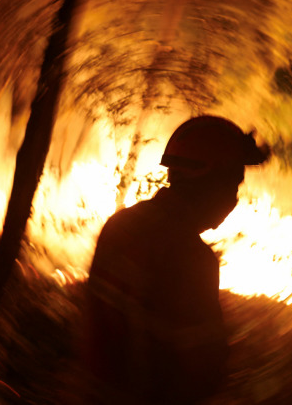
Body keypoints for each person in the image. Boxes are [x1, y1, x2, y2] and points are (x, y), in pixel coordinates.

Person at [85, 115, 269, 404]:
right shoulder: (190, 256)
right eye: (233, 182)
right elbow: (201, 370)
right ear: (208, 180)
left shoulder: (120, 224)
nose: (234, 197)